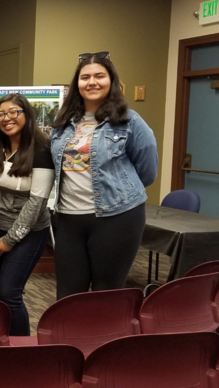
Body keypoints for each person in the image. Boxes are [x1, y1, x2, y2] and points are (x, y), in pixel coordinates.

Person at [51, 52, 158, 299]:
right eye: (85, 77)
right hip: (68, 217)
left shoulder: (130, 121)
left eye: (100, 76)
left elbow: (147, 170)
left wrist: (120, 189)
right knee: (67, 296)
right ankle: (71, 340)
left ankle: (103, 340)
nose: (92, 82)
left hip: (117, 218)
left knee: (106, 294)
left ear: (112, 81)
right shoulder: (64, 121)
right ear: (76, 84)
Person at [0, 93, 55, 336]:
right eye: (1, 114)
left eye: (13, 112)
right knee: (4, 293)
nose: (7, 118)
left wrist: (10, 240)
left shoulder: (42, 150)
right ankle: (7, 344)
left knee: (10, 293)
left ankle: (21, 353)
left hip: (29, 233)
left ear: (26, 115)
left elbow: (37, 203)